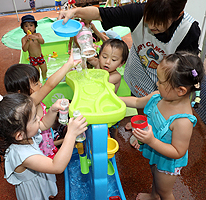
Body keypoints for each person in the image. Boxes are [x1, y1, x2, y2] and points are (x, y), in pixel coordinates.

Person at [58, 0, 201, 147]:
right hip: (140, 67)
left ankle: (154, 136)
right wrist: (74, 12)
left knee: (162, 110)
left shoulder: (188, 30)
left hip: (168, 77)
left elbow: (185, 71)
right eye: (148, 20)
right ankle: (141, 124)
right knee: (141, 100)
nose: (151, 27)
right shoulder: (138, 11)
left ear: (177, 16)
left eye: (158, 25)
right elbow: (102, 13)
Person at [119, 51, 204, 200]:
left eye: (160, 81)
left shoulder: (183, 121)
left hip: (167, 162)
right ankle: (153, 196)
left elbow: (178, 152)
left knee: (164, 191)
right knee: (154, 175)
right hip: (156, 151)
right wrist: (115, 98)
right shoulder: (158, 97)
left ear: (180, 90)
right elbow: (137, 102)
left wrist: (151, 141)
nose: (157, 83)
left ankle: (159, 195)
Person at [0, 93, 87, 200]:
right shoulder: (22, 155)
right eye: (34, 119)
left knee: (45, 191)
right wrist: (71, 134)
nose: (39, 117)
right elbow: (56, 166)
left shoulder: (25, 134)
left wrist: (53, 110)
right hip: (33, 192)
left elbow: (44, 124)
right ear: (19, 134)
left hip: (39, 177)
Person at [4, 53, 80, 158]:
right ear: (20, 92)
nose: (40, 84)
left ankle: (61, 140)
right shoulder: (30, 102)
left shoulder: (31, 101)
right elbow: (50, 85)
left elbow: (45, 124)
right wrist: (69, 64)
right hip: (42, 146)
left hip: (47, 135)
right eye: (35, 83)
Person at [21, 15, 47, 81]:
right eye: (26, 26)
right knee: (36, 72)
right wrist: (28, 41)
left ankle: (44, 78)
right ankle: (38, 82)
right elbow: (24, 49)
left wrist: (37, 38)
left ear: (35, 27)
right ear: (23, 28)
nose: (29, 27)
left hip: (40, 56)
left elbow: (42, 42)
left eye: (31, 25)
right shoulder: (24, 39)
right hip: (33, 58)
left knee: (45, 69)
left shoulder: (38, 35)